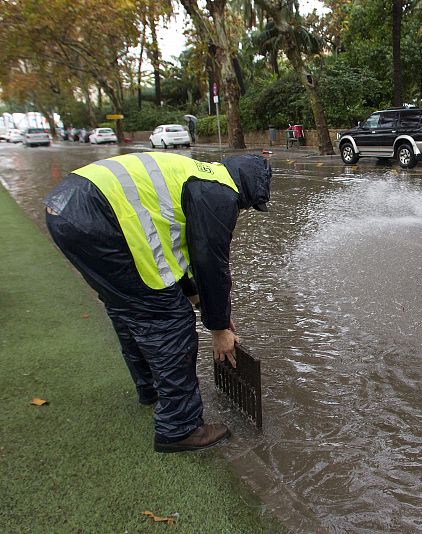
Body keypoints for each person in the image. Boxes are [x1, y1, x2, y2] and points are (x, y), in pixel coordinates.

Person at [43, 152, 271, 453]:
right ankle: (179, 428)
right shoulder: (220, 194)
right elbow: (210, 263)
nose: (243, 210)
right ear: (248, 188)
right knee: (169, 321)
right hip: (99, 217)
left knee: (131, 308)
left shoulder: (198, 177)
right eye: (249, 204)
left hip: (65, 209)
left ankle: (151, 389)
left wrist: (198, 300)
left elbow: (178, 252)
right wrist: (219, 329)